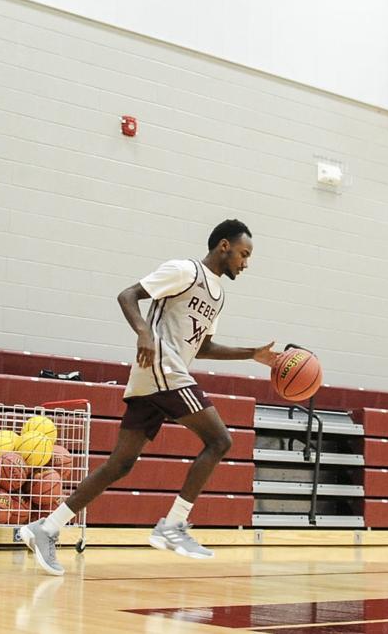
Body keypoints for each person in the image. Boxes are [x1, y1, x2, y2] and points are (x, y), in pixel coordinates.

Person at [18, 219, 275, 576]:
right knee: (219, 440)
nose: (246, 264)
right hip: (161, 367)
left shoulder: (219, 295)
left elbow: (202, 347)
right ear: (224, 247)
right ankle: (173, 526)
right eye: (244, 255)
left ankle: (45, 528)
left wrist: (250, 354)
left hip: (161, 374)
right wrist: (144, 333)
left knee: (120, 464)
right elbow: (127, 295)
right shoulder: (185, 270)